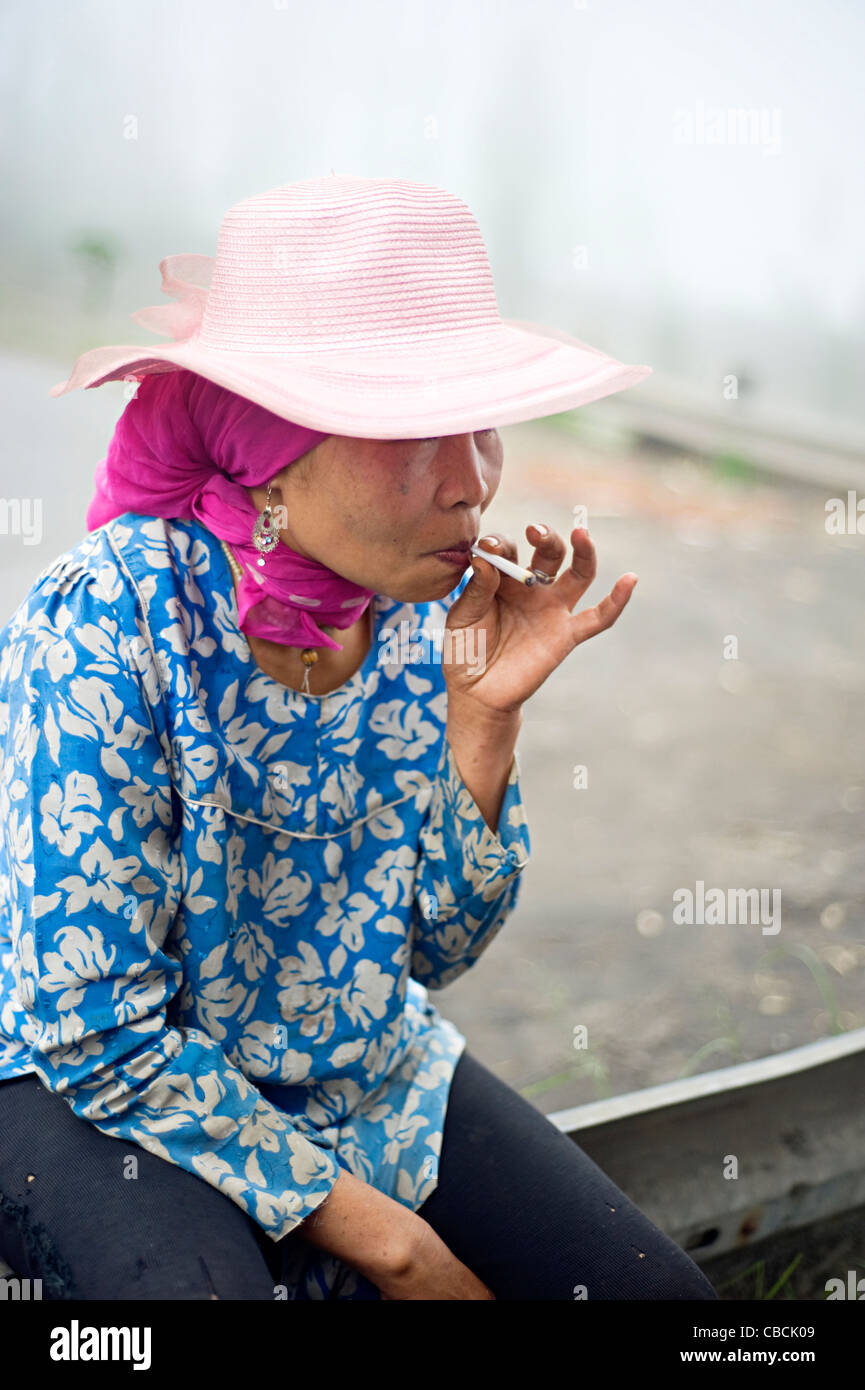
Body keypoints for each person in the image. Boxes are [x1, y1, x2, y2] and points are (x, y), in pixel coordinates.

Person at [0, 174, 717, 1301]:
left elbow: (429, 956)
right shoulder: (111, 615)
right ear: (269, 447)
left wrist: (484, 720)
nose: (471, 481)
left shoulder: (417, 616)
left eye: (477, 424)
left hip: (351, 1061)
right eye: (409, 432)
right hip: (94, 1087)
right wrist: (399, 1243)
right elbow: (97, 1031)